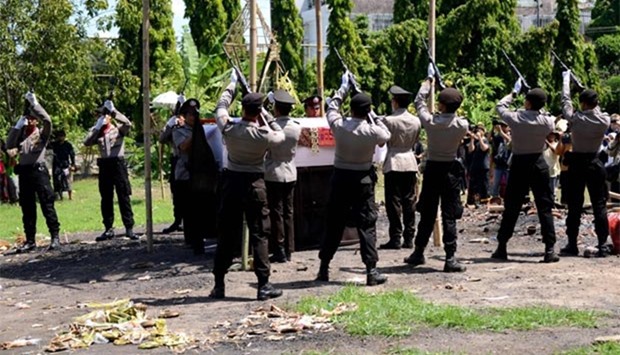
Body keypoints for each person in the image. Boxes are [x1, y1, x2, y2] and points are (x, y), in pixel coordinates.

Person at [210, 70, 286, 301]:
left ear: (243, 109)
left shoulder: (230, 129)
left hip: (232, 182)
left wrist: (232, 86)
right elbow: (280, 135)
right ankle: (263, 285)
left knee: (226, 234)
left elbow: (220, 107)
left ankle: (219, 284)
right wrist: (265, 114)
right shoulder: (264, 134)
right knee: (260, 234)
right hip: (255, 184)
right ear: (258, 112)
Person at [316, 71, 391, 286]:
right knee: (367, 225)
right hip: (363, 181)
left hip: (340, 178)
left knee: (334, 224)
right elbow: (385, 135)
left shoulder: (340, 126)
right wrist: (373, 114)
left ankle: (324, 267)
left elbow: (331, 108)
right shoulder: (371, 131)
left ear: (351, 109)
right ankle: (371, 270)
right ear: (366, 112)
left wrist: (343, 87)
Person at [403, 66, 469, 273]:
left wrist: (428, 81)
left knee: (428, 214)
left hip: (432, 170)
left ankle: (418, 252)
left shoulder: (431, 122)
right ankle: (450, 257)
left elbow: (419, 102)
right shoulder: (462, 125)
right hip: (451, 171)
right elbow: (454, 108)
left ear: (441, 104)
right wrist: (446, 90)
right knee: (449, 215)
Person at [490, 80, 559, 263]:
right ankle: (550, 248)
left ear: (527, 102)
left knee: (511, 207)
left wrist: (514, 92)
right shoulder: (547, 121)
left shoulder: (516, 118)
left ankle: (502, 246)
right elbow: (547, 117)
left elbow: (500, 106)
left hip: (519, 164)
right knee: (545, 207)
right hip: (539, 162)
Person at [560, 70, 611, 257]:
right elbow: (595, 109)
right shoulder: (604, 120)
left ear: (582, 103)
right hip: (595, 162)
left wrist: (566, 80)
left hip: (577, 162)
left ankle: (572, 244)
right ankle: (603, 244)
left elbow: (565, 101)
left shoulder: (576, 118)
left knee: (574, 205)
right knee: (599, 205)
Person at [6, 91, 61, 252]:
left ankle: (55, 236)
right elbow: (9, 145)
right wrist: (17, 126)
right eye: (28, 118)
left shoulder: (41, 135)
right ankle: (30, 240)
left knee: (47, 204)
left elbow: (48, 121)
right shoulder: (20, 135)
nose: (30, 121)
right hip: (24, 173)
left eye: (32, 118)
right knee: (27, 207)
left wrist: (35, 104)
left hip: (39, 172)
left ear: (36, 120)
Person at [84, 99, 137, 241]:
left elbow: (128, 124)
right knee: (106, 197)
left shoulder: (118, 129)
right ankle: (108, 228)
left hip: (118, 164)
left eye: (105, 114)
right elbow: (87, 142)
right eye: (102, 115)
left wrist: (114, 112)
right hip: (105, 165)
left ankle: (129, 227)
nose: (103, 117)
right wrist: (97, 127)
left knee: (123, 195)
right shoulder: (97, 131)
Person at [379, 85, 421, 250]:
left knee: (393, 202)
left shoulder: (388, 120)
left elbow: (382, 141)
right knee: (409, 201)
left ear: (394, 102)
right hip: (409, 160)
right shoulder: (416, 120)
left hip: (394, 161)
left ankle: (395, 237)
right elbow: (416, 141)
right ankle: (409, 237)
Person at [265, 90, 302, 263]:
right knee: (289, 212)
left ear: (276, 109)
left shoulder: (271, 127)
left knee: (277, 212)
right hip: (290, 170)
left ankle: (279, 248)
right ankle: (289, 248)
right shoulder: (296, 126)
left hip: (274, 171)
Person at [159, 96, 185, 234]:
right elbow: (162, 139)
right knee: (176, 191)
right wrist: (170, 125)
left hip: (189, 160)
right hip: (176, 159)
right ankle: (177, 220)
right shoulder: (173, 125)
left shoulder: (190, 123)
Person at [466, 124, 490, 206]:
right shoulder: (475, 141)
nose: (478, 132)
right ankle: (474, 201)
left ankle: (484, 200)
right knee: (474, 185)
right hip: (474, 166)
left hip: (483, 166)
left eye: (480, 130)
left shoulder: (485, 140)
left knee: (483, 184)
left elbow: (484, 148)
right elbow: (470, 150)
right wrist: (472, 139)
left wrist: (480, 138)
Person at [51, 130, 76, 200]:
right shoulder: (54, 144)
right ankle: (60, 196)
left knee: (68, 181)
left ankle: (70, 197)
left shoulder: (68, 145)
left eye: (62, 136)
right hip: (57, 165)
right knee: (58, 180)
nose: (60, 138)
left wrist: (73, 164)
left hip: (65, 164)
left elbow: (72, 154)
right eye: (59, 136)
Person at [543, 131, 562, 204]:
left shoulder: (556, 144)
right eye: (550, 135)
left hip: (553, 169)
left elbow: (555, 151)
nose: (551, 136)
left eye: (552, 135)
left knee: (552, 188)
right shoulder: (544, 146)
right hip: (545, 169)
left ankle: (553, 201)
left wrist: (547, 142)